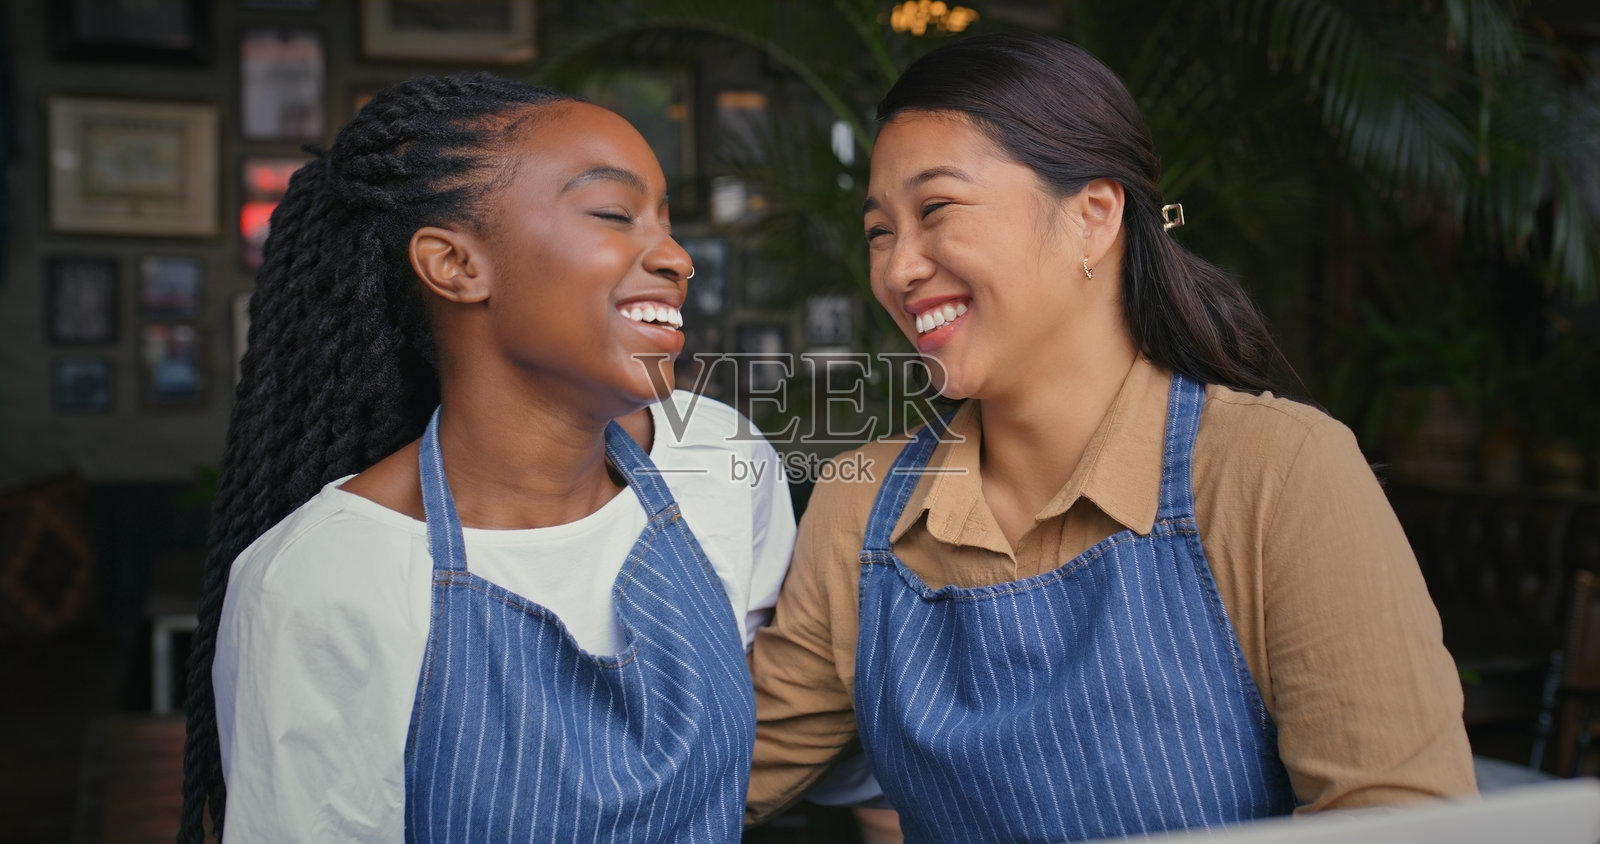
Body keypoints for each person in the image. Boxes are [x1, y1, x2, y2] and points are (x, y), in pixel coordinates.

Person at [744, 32, 1477, 844]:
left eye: (936, 209)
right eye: (880, 231)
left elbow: (1400, 822)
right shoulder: (861, 503)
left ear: (1093, 217)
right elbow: (715, 778)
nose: (898, 268)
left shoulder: (1276, 472)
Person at [176, 74, 795, 843]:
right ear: (455, 265)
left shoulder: (718, 460)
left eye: (665, 221)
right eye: (614, 213)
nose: (676, 256)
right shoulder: (320, 583)